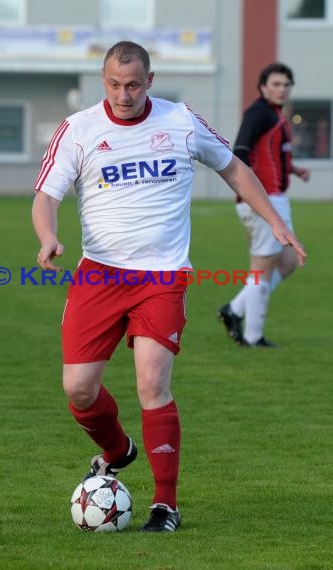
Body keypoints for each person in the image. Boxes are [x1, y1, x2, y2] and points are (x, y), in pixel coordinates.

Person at [32, 43, 306, 532]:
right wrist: (48, 236)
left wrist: (274, 221)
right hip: (99, 274)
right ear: (103, 80)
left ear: (150, 80)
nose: (124, 94)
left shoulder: (181, 121)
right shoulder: (79, 129)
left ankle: (165, 505)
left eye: (134, 84)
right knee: (78, 388)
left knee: (152, 385)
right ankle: (118, 450)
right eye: (115, 84)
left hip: (163, 276)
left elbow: (233, 168)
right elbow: (46, 195)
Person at [218, 62, 310, 347]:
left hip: (277, 198)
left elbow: (269, 154)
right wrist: (248, 195)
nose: (282, 89)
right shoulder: (258, 113)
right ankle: (253, 336)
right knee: (262, 268)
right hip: (264, 200)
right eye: (276, 84)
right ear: (263, 87)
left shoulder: (274, 114)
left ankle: (234, 309)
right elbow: (241, 151)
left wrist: (293, 170)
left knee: (288, 262)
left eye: (286, 85)